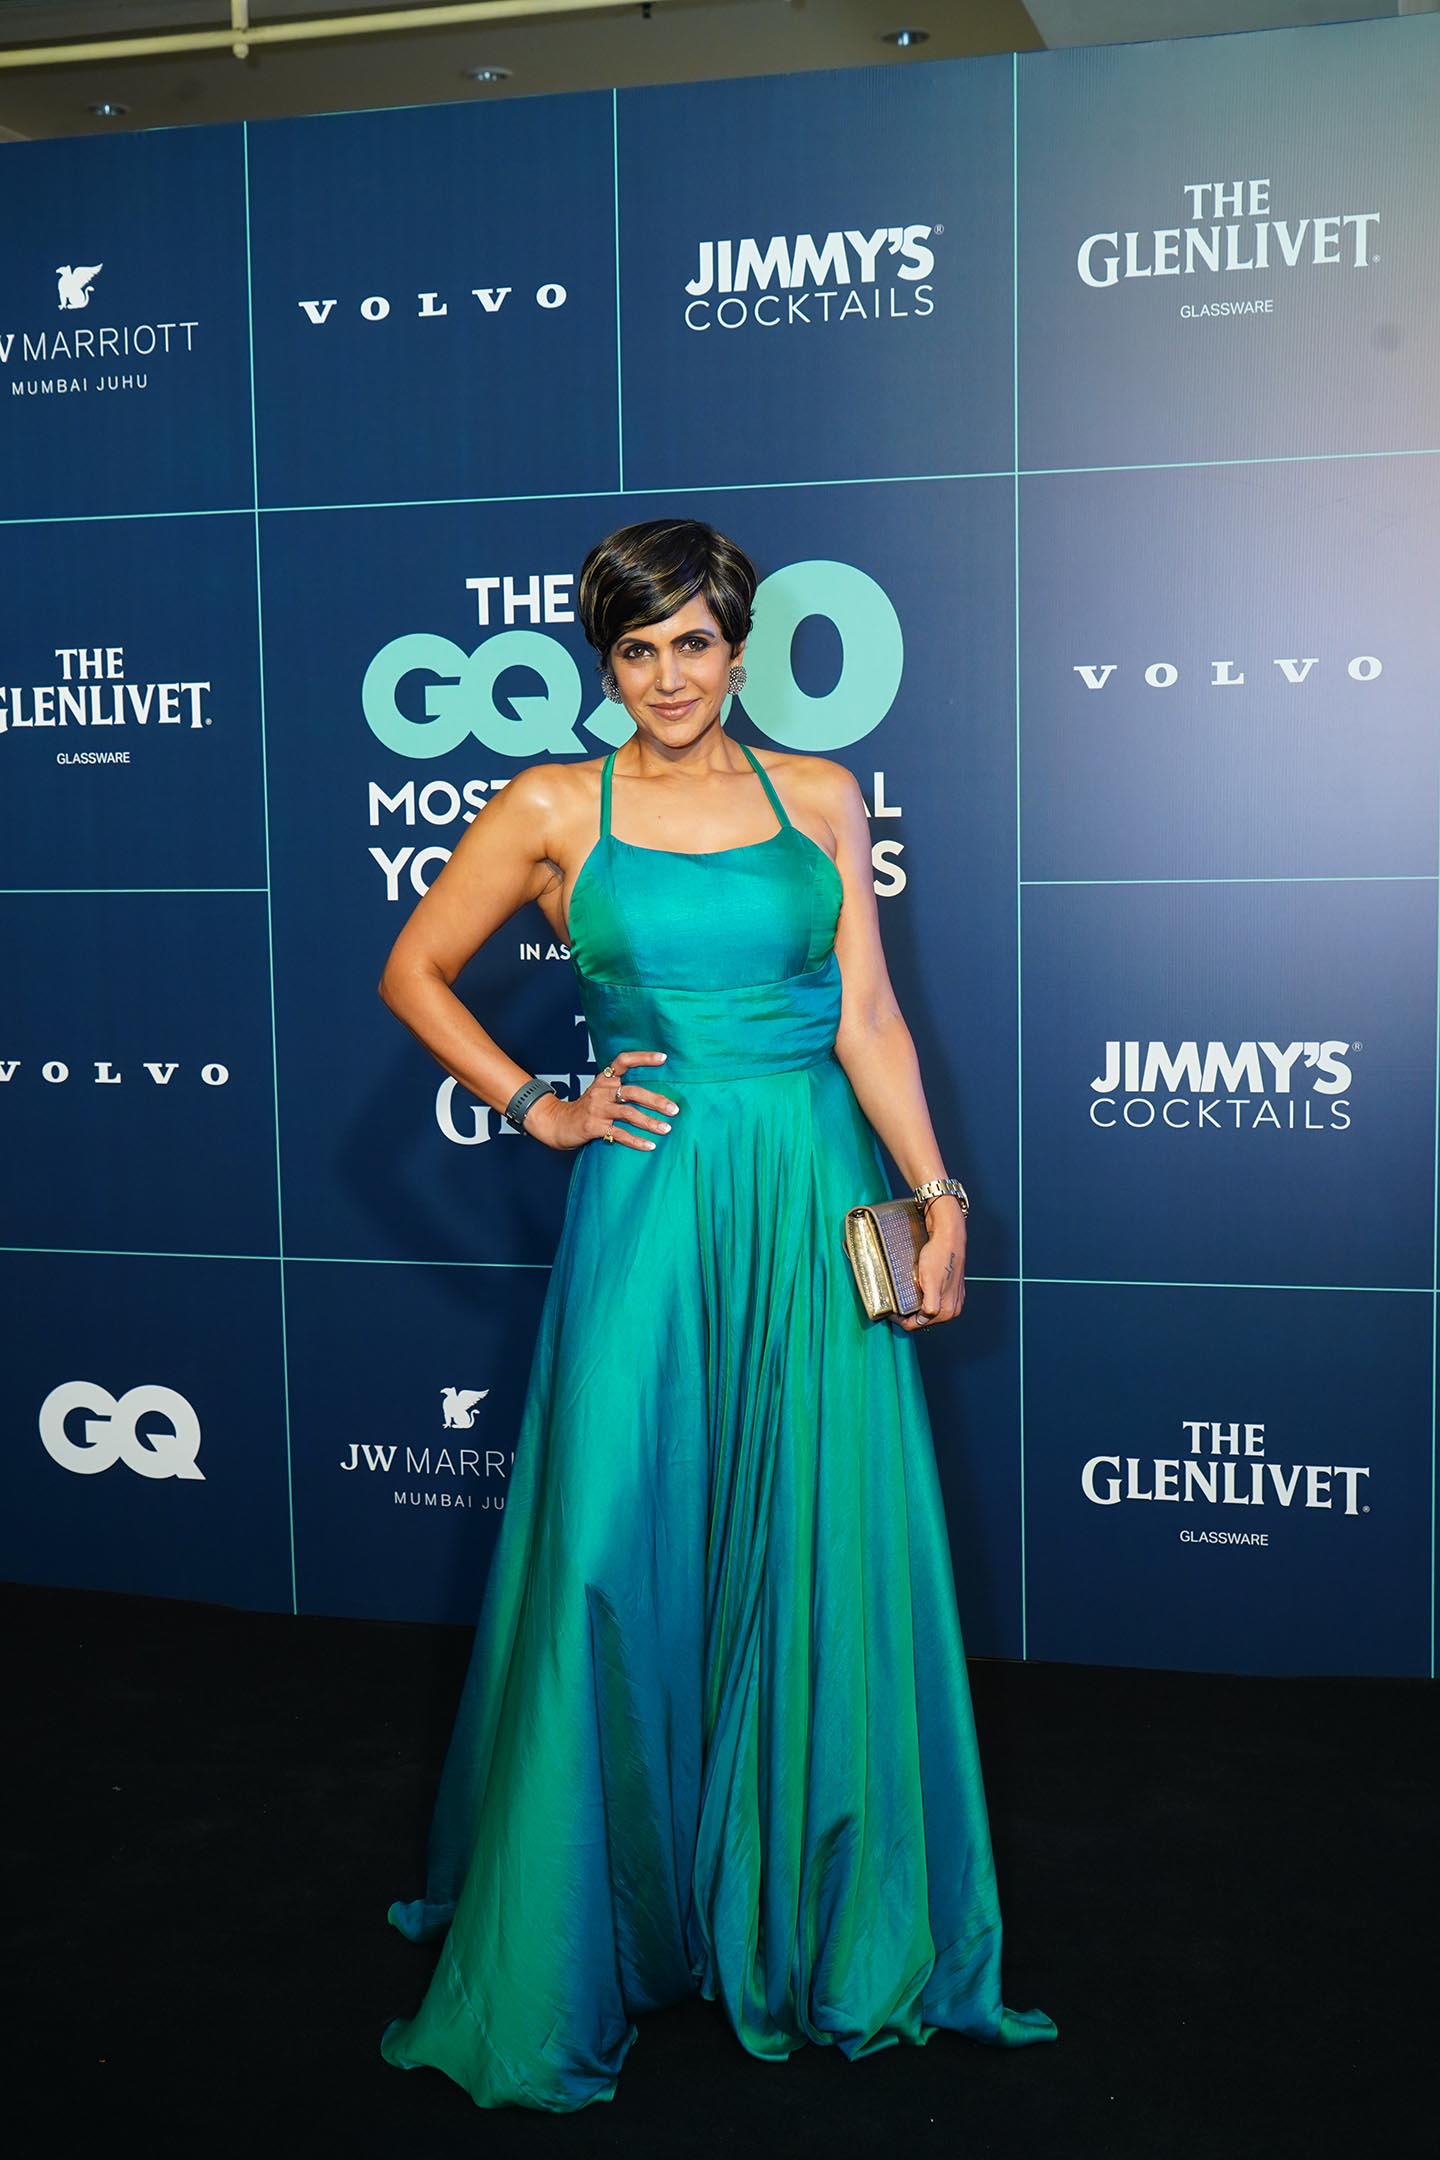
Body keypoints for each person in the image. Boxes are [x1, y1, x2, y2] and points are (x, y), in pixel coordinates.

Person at [376, 517, 1057, 2111]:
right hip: (654, 1205)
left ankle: (820, 1919)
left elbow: (866, 1012)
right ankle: (592, 1922)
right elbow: (416, 971)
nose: (670, 677)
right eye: (637, 650)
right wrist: (539, 1105)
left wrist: (937, 1192)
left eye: (694, 643)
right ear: (605, 666)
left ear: (739, 647)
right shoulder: (553, 805)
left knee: (816, 1537)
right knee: (614, 1540)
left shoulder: (819, 793)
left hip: (815, 1189)